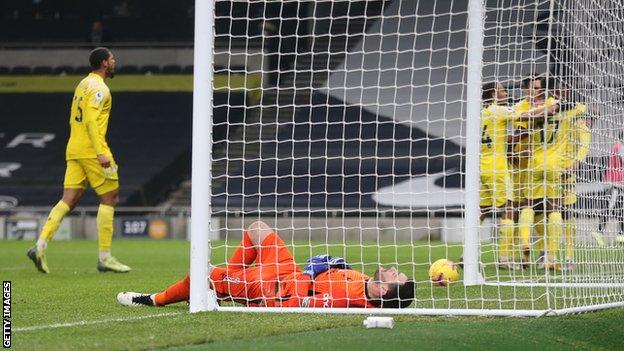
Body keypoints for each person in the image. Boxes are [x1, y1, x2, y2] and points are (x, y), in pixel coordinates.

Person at [117, 221, 415, 308]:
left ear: (384, 291)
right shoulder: (363, 280)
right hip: (290, 271)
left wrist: (263, 300)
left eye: (394, 275)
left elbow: (302, 302)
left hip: (277, 287)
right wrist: (330, 265)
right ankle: (230, 283)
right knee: (257, 229)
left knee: (203, 273)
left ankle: (155, 299)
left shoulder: (354, 300)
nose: (391, 268)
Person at [27, 47, 131, 274]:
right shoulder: (99, 89)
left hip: (74, 148)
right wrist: (100, 152)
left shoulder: (83, 84)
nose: (114, 62)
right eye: (112, 59)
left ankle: (40, 245)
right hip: (92, 150)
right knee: (110, 197)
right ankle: (105, 257)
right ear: (104, 63)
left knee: (69, 199)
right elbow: (92, 122)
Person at [525, 81, 587, 270]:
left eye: (565, 89)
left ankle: (567, 257)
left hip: (562, 169)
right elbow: (584, 107)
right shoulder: (568, 112)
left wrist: (575, 164)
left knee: (563, 211)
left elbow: (584, 143)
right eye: (558, 90)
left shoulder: (574, 118)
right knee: (545, 209)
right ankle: (546, 254)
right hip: (555, 166)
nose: (561, 92)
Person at [510, 76, 559, 265]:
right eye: (532, 88)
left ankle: (532, 248)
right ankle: (539, 255)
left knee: (532, 206)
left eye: (538, 88)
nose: (535, 91)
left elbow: (522, 123)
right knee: (537, 207)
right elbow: (520, 122)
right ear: (525, 89)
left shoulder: (532, 105)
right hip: (529, 162)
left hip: (535, 162)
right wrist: (542, 111)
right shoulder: (548, 103)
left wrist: (533, 113)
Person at [479, 82, 518, 269]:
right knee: (509, 208)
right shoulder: (498, 111)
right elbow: (524, 114)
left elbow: (494, 136)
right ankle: (504, 258)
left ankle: (466, 253)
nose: (506, 92)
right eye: (503, 90)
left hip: (481, 166)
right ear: (494, 94)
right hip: (497, 167)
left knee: (481, 211)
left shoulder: (480, 113)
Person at [592, 134, 624, 245]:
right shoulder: (620, 146)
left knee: (620, 208)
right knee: (611, 207)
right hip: (616, 182)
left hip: (616, 181)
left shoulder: (616, 145)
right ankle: (599, 232)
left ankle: (621, 235)